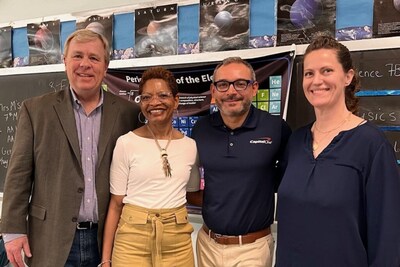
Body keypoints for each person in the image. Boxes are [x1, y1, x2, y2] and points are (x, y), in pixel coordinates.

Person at [0, 29, 141, 267]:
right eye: (77, 56)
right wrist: (13, 230)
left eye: (94, 58)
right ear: (65, 61)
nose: (85, 64)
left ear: (105, 66)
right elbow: (18, 176)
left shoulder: (129, 113)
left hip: (108, 241)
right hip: (50, 238)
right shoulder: (36, 110)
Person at [276, 36, 400, 266]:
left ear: (348, 77)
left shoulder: (371, 145)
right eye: (309, 73)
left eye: (327, 71)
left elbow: (387, 237)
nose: (317, 81)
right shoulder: (295, 142)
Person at [188, 57, 291, 267]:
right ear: (213, 91)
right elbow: (191, 185)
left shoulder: (275, 128)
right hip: (208, 244)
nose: (231, 91)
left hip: (253, 248)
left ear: (254, 88)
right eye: (223, 84)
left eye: (240, 83)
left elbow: (289, 180)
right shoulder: (201, 130)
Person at [101, 66, 200, 267]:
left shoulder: (190, 146)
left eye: (163, 95)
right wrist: (105, 259)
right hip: (132, 242)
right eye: (146, 97)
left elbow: (192, 192)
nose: (154, 102)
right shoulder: (126, 143)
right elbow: (116, 204)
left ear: (176, 100)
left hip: (177, 242)